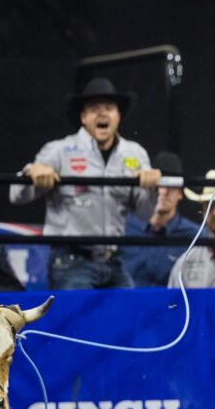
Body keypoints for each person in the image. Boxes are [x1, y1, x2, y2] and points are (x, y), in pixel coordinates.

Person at [9, 77, 161, 289]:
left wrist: (152, 189)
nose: (102, 113)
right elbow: (15, 195)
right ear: (83, 117)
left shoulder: (135, 153)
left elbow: (144, 215)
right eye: (94, 108)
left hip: (114, 260)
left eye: (109, 107)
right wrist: (32, 172)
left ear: (118, 116)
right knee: (78, 321)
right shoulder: (60, 150)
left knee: (128, 317)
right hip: (71, 261)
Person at [121, 151, 205, 287]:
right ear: (149, 188)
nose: (164, 191)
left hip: (174, 307)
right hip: (129, 306)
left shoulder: (196, 237)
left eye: (171, 186)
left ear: (180, 193)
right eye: (159, 184)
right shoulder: (123, 228)